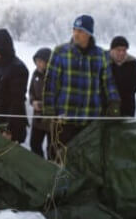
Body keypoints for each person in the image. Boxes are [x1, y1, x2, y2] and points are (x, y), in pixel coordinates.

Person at [42, 14, 121, 158]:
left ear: (89, 34)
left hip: (90, 121)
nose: (76, 34)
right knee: (59, 161)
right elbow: (50, 84)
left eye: (81, 31)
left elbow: (109, 83)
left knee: (87, 162)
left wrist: (114, 102)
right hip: (64, 120)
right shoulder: (60, 52)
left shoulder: (101, 55)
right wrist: (48, 111)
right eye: (74, 30)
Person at [0, 28, 29, 143]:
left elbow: (16, 102)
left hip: (9, 125)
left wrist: (9, 130)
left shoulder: (17, 68)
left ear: (3, 47)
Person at [109, 36, 136, 117]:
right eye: (118, 50)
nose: (121, 53)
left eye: (124, 50)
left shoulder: (133, 64)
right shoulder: (104, 62)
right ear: (112, 50)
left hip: (128, 106)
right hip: (107, 106)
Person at [28, 47, 51, 157]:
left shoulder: (54, 76)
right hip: (38, 119)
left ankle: (53, 171)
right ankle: (39, 169)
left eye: (41, 61)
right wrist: (33, 102)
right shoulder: (35, 74)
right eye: (36, 61)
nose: (38, 64)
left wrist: (43, 104)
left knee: (52, 149)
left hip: (51, 120)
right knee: (34, 144)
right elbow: (31, 91)